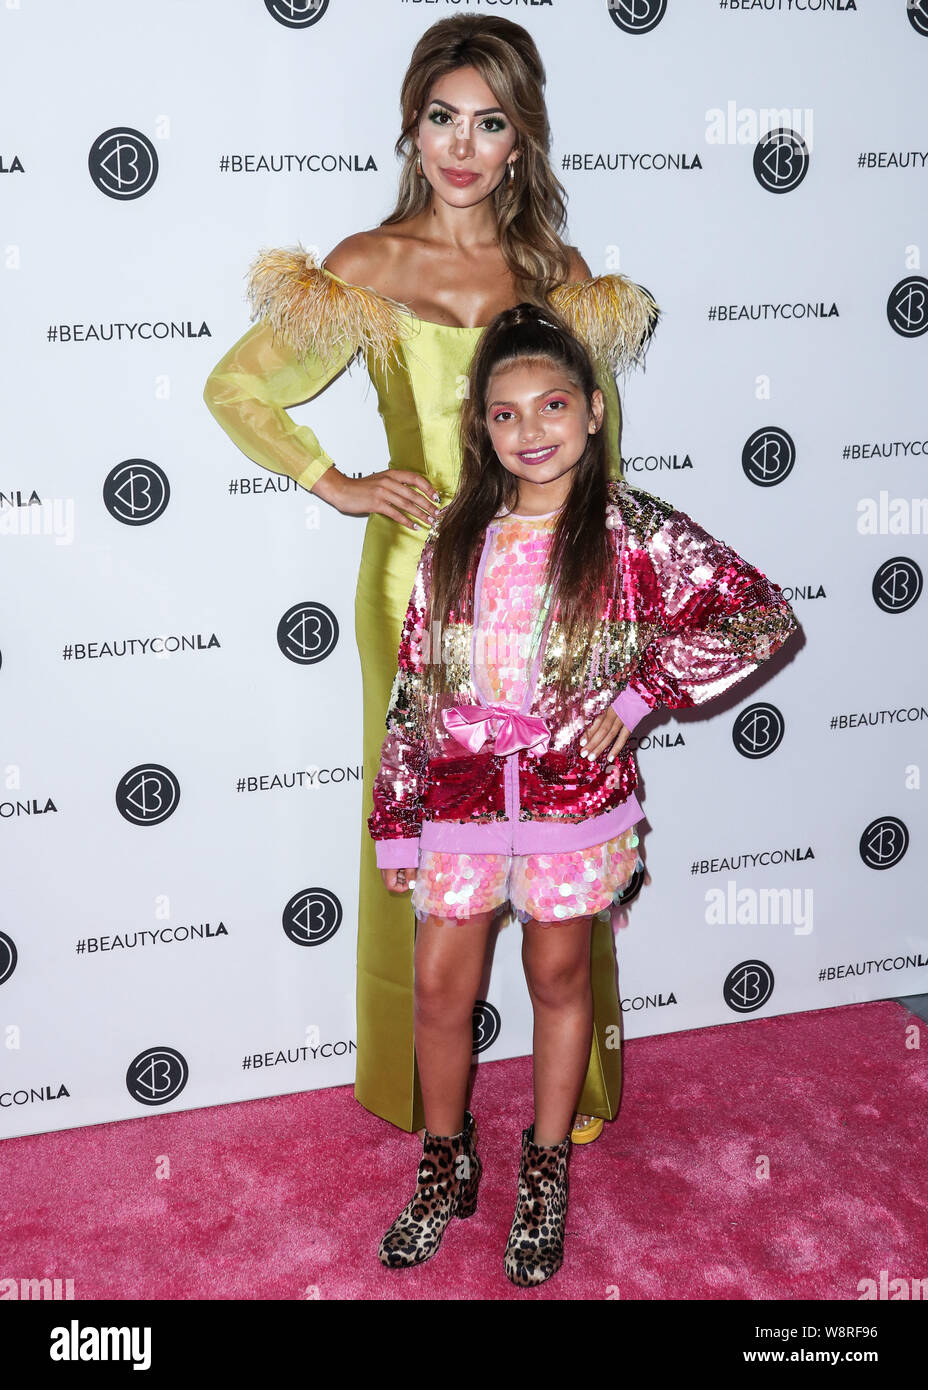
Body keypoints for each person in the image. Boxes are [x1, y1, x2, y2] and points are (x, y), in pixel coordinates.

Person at [201, 15, 659, 1145]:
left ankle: (576, 1096)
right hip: (410, 583)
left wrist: (607, 614)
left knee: (566, 819)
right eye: (443, 116)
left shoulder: (556, 275)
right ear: (412, 126)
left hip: (548, 590)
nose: (462, 144)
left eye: (489, 121)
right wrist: (336, 478)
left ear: (521, 140)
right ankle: (420, 1100)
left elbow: (604, 456)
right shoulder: (361, 265)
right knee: (413, 836)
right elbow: (237, 390)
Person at [368, 303, 800, 1286]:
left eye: (551, 404)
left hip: (574, 805)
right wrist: (398, 819)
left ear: (593, 411)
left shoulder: (631, 526)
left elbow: (756, 612)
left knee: (559, 982)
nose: (531, 430)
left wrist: (643, 691)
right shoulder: (453, 533)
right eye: (505, 413)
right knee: (440, 990)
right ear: (481, 427)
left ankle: (546, 1164)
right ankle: (445, 1165)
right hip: (462, 800)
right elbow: (414, 681)